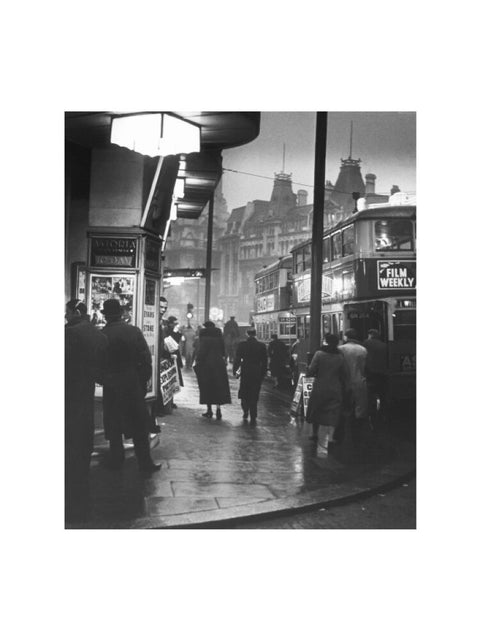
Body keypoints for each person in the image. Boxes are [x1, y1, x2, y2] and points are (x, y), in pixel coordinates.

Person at [101, 298, 161, 472]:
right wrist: (141, 383)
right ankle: (145, 463)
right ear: (121, 314)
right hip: (132, 384)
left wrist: (105, 379)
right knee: (138, 426)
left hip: (112, 386)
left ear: (106, 317)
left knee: (114, 426)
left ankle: (116, 461)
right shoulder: (133, 331)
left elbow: (98, 363)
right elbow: (145, 359)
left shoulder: (103, 334)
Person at [65, 299, 107, 523]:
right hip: (86, 391)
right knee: (82, 434)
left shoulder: (70, 334)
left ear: (75, 311)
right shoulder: (98, 334)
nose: (65, 316)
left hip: (69, 392)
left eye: (67, 312)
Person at [305, 333, 351, 456]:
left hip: (320, 387)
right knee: (333, 411)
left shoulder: (319, 354)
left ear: (325, 341)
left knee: (316, 409)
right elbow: (345, 373)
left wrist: (308, 371)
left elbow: (311, 371)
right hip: (335, 387)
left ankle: (315, 433)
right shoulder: (340, 356)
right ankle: (330, 437)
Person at [194, 320, 231, 420]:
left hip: (207, 365)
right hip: (219, 365)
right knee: (219, 387)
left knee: (207, 387)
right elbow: (224, 352)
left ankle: (209, 410)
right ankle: (218, 409)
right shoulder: (219, 338)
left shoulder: (204, 338)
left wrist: (197, 361)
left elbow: (201, 353)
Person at [339, 328, 368, 445]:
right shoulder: (363, 350)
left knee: (345, 405)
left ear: (346, 337)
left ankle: (344, 429)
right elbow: (365, 367)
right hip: (359, 380)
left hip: (344, 381)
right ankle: (358, 432)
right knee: (360, 407)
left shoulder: (341, 349)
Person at [232, 328, 268, 426]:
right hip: (256, 371)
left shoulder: (242, 345)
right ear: (255, 334)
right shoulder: (261, 346)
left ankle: (245, 409)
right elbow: (264, 361)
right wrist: (263, 373)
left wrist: (235, 370)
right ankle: (253, 413)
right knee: (254, 392)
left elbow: (237, 359)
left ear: (247, 334)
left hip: (246, 370)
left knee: (244, 391)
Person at [363, 328, 388, 428]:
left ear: (370, 335)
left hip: (370, 373)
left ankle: (372, 415)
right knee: (382, 395)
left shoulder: (366, 343)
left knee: (370, 395)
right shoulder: (384, 345)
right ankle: (383, 415)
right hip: (382, 373)